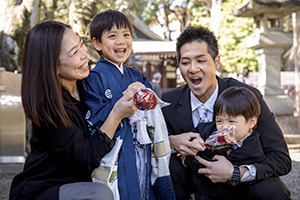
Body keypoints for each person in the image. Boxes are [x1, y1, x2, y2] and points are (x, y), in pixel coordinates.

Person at [9, 21, 137, 200]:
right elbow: (88, 157)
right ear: (53, 66)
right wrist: (116, 114)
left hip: (81, 183)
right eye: (74, 52)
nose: (85, 54)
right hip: (47, 189)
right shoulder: (49, 108)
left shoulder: (89, 86)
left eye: (81, 45)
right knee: (100, 195)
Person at [161, 25, 291, 200]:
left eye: (200, 61)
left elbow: (280, 158)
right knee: (168, 166)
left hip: (241, 185)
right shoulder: (168, 102)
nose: (192, 69)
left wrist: (236, 172)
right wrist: (172, 142)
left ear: (216, 62)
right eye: (185, 62)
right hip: (195, 181)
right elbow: (149, 147)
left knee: (273, 190)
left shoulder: (247, 96)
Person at [82, 10, 175, 200]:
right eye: (112, 36)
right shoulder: (93, 78)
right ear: (97, 43)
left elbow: (153, 106)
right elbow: (93, 118)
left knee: (143, 188)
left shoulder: (137, 75)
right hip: (117, 155)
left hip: (143, 148)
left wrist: (144, 93)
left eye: (126, 35)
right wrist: (120, 106)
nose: (121, 41)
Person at [182, 86, 266, 199]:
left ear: (251, 122)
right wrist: (194, 141)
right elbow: (196, 132)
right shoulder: (211, 131)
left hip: (224, 194)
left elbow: (211, 166)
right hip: (200, 191)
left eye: (231, 121)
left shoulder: (251, 150)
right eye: (219, 121)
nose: (224, 127)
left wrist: (188, 159)